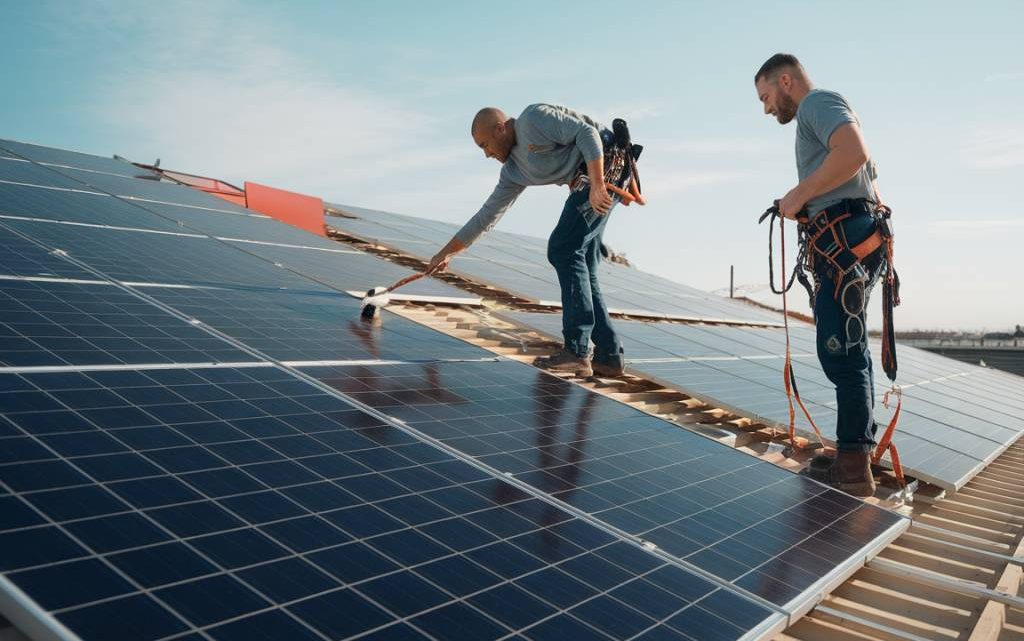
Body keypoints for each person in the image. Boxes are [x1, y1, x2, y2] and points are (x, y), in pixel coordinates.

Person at [755, 53, 890, 497]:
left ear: (786, 81)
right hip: (850, 243)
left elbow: (854, 153)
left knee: (840, 351)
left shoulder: (817, 103)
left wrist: (799, 193)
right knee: (852, 350)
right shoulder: (816, 115)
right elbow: (854, 175)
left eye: (767, 96)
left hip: (845, 247)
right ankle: (855, 449)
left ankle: (853, 468)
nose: (767, 108)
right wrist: (804, 205)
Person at [427, 105, 634, 378]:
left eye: (485, 145)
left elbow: (587, 134)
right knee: (580, 260)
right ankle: (608, 355)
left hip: (605, 163)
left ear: (501, 128)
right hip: (587, 181)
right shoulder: (513, 171)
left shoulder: (533, 120)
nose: (487, 154)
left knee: (563, 249)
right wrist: (446, 253)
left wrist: (596, 184)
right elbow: (485, 217)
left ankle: (577, 352)